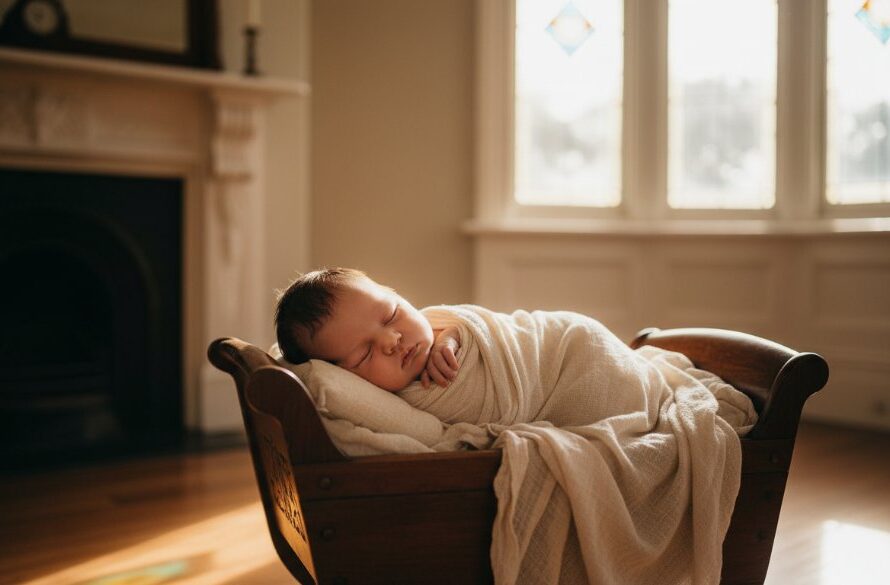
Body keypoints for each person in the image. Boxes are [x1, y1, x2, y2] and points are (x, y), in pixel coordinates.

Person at [275, 267, 462, 392]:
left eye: (391, 315)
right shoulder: (381, 410)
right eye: (365, 354)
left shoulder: (444, 322)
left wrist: (450, 337)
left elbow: (479, 325)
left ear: (397, 295)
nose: (391, 341)